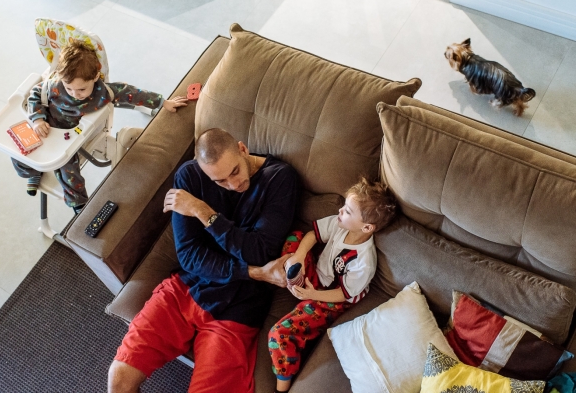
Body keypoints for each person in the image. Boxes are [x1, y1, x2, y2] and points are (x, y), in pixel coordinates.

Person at [108, 128, 300, 393]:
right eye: (219, 181)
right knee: (119, 380)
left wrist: (202, 211)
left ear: (243, 149)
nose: (233, 184)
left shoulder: (279, 178)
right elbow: (188, 255)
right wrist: (254, 272)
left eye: (235, 171)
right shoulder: (189, 176)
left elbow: (258, 250)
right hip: (187, 288)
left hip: (238, 306)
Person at [12, 39, 187, 213]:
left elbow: (133, 93)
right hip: (45, 128)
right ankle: (32, 173)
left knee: (68, 171)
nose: (75, 94)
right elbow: (35, 94)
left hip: (68, 138)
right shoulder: (55, 86)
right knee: (17, 150)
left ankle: (79, 206)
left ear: (95, 77)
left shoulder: (104, 92)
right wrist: (38, 119)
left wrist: (163, 102)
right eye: (69, 88)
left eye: (81, 89)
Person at [268, 177, 398, 393]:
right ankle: (295, 282)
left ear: (366, 227)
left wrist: (313, 294)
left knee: (279, 334)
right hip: (318, 276)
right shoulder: (340, 224)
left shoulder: (364, 261)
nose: (340, 212)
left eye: (347, 211)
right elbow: (311, 234)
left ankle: (282, 387)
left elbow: (343, 294)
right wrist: (300, 257)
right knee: (296, 237)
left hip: (335, 298)